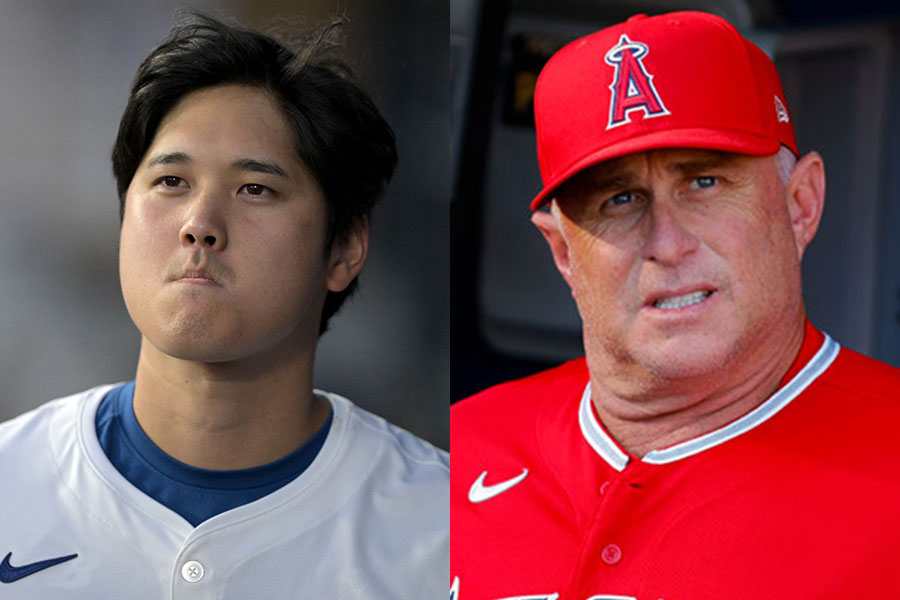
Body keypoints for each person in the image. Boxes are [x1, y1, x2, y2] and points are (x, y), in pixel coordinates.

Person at [451, 10, 900, 600]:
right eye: (619, 198)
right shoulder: (453, 451)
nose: (667, 242)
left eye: (706, 183)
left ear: (800, 205)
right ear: (562, 251)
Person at [0, 13, 447, 598]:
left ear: (344, 247)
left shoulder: (441, 528)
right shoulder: (12, 480)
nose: (199, 225)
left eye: (255, 189)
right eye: (170, 182)